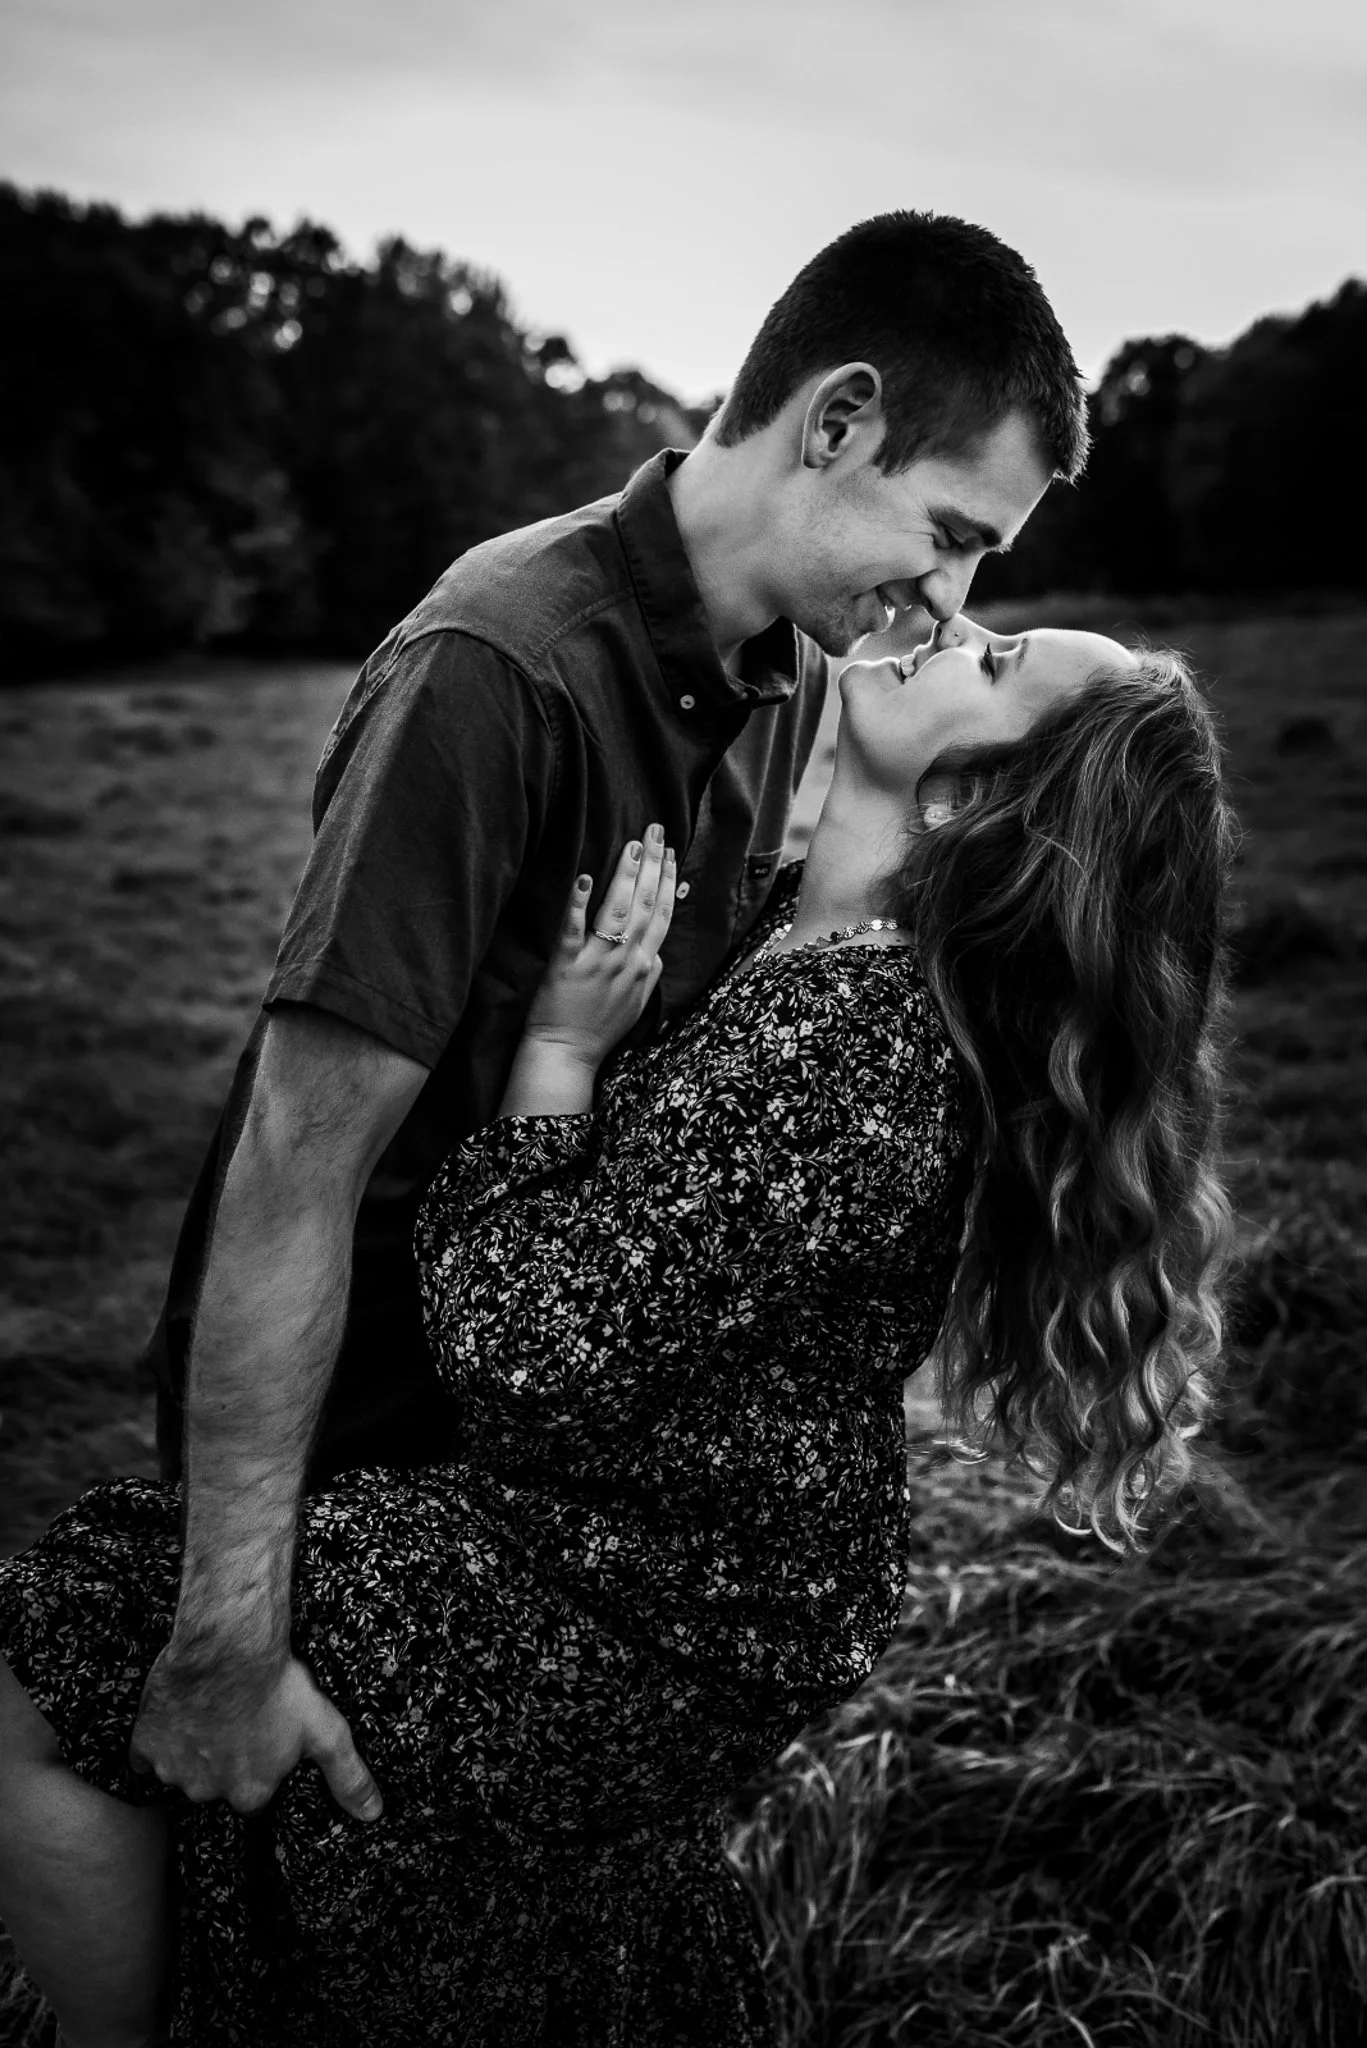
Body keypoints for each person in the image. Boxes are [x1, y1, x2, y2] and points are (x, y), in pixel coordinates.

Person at [0, 613, 1235, 2047]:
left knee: (50, 1647)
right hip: (653, 1544)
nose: (953, 621)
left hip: (653, 1602)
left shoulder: (853, 1052)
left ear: (972, 799)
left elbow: (521, 1347)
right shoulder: (797, 934)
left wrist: (558, 1058)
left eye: (998, 657)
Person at [127, 209, 1089, 1823]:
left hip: (545, 1463)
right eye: (948, 530)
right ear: (834, 419)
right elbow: (297, 1162)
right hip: (346, 1435)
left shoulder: (789, 677)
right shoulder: (495, 666)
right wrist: (229, 1627)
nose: (949, 596)